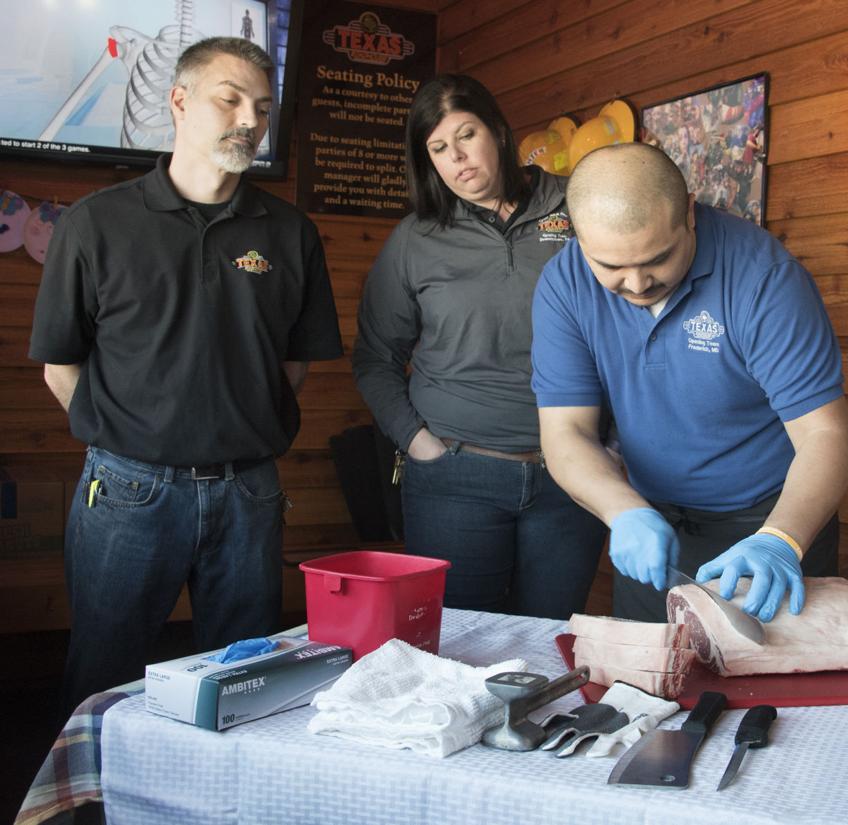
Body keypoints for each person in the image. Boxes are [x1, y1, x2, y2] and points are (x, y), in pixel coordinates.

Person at [28, 37, 343, 714]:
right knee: (104, 682)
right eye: (229, 99)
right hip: (127, 494)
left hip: (248, 494)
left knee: (246, 684)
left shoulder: (290, 233)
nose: (249, 120)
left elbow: (295, 363)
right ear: (178, 100)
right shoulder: (95, 223)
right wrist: (137, 438)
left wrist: (234, 427)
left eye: (261, 107)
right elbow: (62, 366)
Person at [532, 142, 848, 623]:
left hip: (770, 520)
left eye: (657, 258)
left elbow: (826, 435)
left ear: (689, 213)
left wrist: (781, 538)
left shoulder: (763, 278)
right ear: (579, 238)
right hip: (652, 525)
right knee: (654, 685)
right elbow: (566, 433)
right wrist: (622, 511)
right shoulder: (564, 284)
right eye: (612, 267)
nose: (638, 284)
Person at [352, 74, 606, 620]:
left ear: (497, 129)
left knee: (551, 644)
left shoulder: (579, 204)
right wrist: (419, 442)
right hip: (456, 474)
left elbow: (631, 324)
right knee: (459, 648)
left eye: (467, 135)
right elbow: (375, 357)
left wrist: (616, 447)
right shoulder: (416, 239)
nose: (458, 159)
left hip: (574, 472)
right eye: (439, 148)